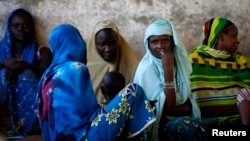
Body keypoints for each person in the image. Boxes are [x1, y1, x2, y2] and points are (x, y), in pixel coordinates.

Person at [36, 24, 156, 141]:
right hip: (84, 137)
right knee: (133, 91)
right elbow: (91, 115)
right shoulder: (76, 69)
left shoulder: (46, 76)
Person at [134, 19, 208, 141]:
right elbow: (168, 107)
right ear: (148, 45)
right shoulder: (146, 68)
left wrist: (182, 108)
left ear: (173, 42)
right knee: (187, 128)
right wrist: (167, 68)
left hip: (183, 118)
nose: (160, 46)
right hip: (158, 127)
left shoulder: (180, 62)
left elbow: (189, 102)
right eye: (154, 42)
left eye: (165, 40)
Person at [0, 8, 52, 137]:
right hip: (4, 112)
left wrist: (25, 66)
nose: (20, 29)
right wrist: (5, 63)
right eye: (16, 25)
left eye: (25, 26)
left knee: (27, 75)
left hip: (32, 112)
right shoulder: (2, 52)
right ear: (9, 28)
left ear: (32, 28)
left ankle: (28, 125)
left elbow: (46, 76)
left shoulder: (42, 52)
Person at [189, 17, 250, 126]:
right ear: (221, 36)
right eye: (234, 36)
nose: (238, 41)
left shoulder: (242, 62)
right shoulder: (194, 61)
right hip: (205, 126)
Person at [87, 20, 140, 104]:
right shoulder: (85, 67)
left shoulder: (135, 66)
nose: (108, 49)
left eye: (112, 43)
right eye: (102, 44)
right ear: (94, 44)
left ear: (118, 42)